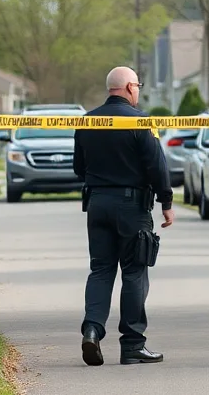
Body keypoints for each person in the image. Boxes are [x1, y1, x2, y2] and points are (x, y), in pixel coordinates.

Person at [73, 66, 175, 366]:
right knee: (134, 272)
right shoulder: (141, 121)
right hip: (132, 206)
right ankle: (132, 344)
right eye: (138, 86)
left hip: (97, 203)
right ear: (130, 88)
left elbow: (79, 166)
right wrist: (166, 201)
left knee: (101, 270)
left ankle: (92, 329)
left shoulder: (87, 121)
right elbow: (157, 165)